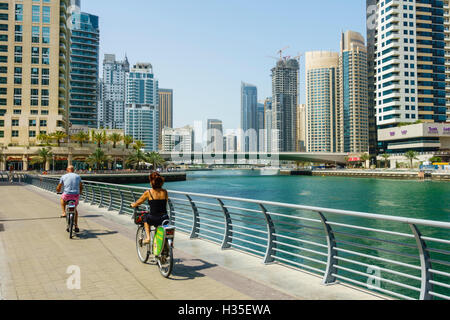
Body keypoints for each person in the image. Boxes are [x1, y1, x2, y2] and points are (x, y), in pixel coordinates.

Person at [131, 172, 169, 244]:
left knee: (146, 219)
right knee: (161, 224)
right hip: (164, 217)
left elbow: (139, 201)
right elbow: (165, 201)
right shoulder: (165, 192)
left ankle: (148, 238)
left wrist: (133, 205)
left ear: (151, 181)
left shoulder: (148, 192)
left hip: (153, 218)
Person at [56, 165, 83, 233]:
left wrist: (58, 190)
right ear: (73, 170)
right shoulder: (78, 176)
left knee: (62, 199)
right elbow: (81, 186)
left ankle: (64, 212)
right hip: (75, 195)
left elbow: (59, 186)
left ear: (67, 170)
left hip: (67, 194)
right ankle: (76, 225)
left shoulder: (63, 176)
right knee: (75, 210)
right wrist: (81, 192)